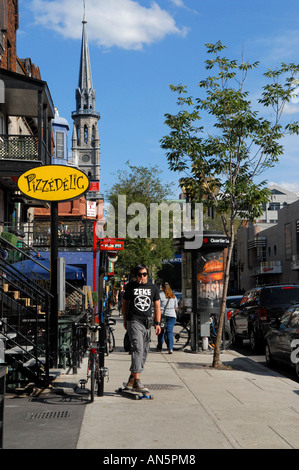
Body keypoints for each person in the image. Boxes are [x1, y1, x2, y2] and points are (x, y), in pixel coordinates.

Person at [122, 264, 161, 391]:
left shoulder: (153, 287)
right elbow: (125, 304)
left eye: (144, 274)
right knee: (137, 348)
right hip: (134, 320)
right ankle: (137, 380)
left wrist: (158, 323)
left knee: (144, 351)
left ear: (147, 275)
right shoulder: (130, 287)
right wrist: (124, 319)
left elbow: (157, 306)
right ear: (136, 275)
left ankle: (132, 378)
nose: (142, 277)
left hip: (147, 322)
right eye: (140, 274)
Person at [157, 282, 178, 354]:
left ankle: (159, 347)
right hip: (172, 316)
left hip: (162, 316)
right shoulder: (173, 296)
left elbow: (157, 306)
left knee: (161, 331)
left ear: (162, 288)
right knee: (169, 331)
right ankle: (170, 348)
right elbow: (176, 307)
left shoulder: (160, 295)